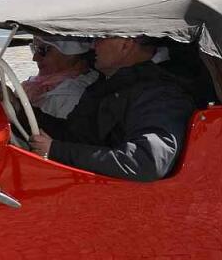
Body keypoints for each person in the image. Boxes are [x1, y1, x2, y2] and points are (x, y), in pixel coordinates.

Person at [30, 35, 195, 182]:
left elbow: (146, 162)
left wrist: (56, 150)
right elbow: (76, 135)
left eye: (101, 38)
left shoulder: (161, 93)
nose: (93, 45)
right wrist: (19, 111)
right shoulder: (109, 86)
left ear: (126, 44)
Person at [22, 37, 98, 120]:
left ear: (71, 54)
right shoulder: (35, 85)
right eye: (34, 48)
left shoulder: (73, 96)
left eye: (43, 50)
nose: (35, 58)